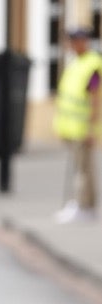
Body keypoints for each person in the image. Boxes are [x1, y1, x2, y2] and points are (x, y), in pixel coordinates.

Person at [53, 26, 102, 223]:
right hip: (71, 127)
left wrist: (91, 129)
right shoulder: (76, 63)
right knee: (79, 169)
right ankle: (80, 205)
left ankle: (84, 207)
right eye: (71, 41)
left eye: (77, 41)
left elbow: (95, 99)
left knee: (84, 171)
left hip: (83, 129)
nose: (73, 45)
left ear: (85, 42)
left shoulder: (92, 65)